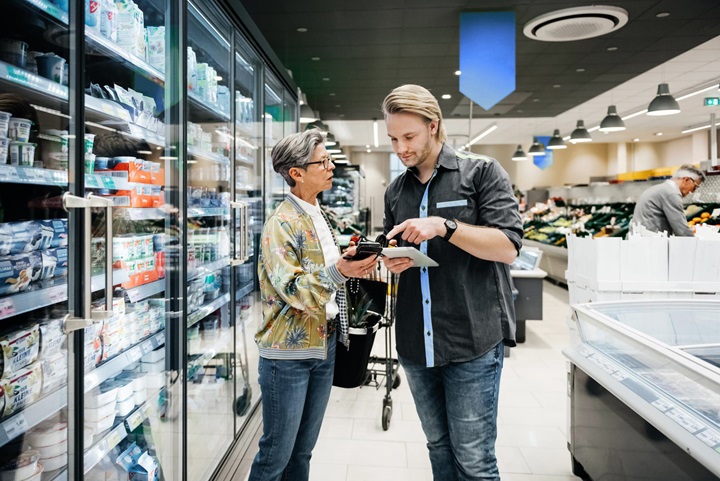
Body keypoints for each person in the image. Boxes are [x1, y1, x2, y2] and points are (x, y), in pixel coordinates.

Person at [380, 84, 522, 481]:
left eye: (409, 137)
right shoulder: (395, 190)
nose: (400, 148)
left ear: (434, 126)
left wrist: (444, 226)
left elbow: (508, 247)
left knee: (474, 459)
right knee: (438, 448)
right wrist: (394, 262)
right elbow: (395, 246)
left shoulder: (481, 173)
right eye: (393, 139)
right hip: (414, 342)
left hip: (470, 339)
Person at [249, 129, 378, 481]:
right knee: (276, 455)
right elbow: (294, 289)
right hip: (287, 357)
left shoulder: (319, 215)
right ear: (296, 172)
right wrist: (339, 270)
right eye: (322, 161)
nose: (331, 165)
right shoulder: (281, 224)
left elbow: (324, 268)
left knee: (302, 453)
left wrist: (352, 258)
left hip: (324, 347)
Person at [632, 164, 706, 236]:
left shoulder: (661, 188)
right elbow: (681, 230)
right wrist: (698, 244)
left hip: (640, 240)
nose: (693, 192)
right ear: (686, 179)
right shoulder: (671, 193)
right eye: (695, 187)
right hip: (650, 243)